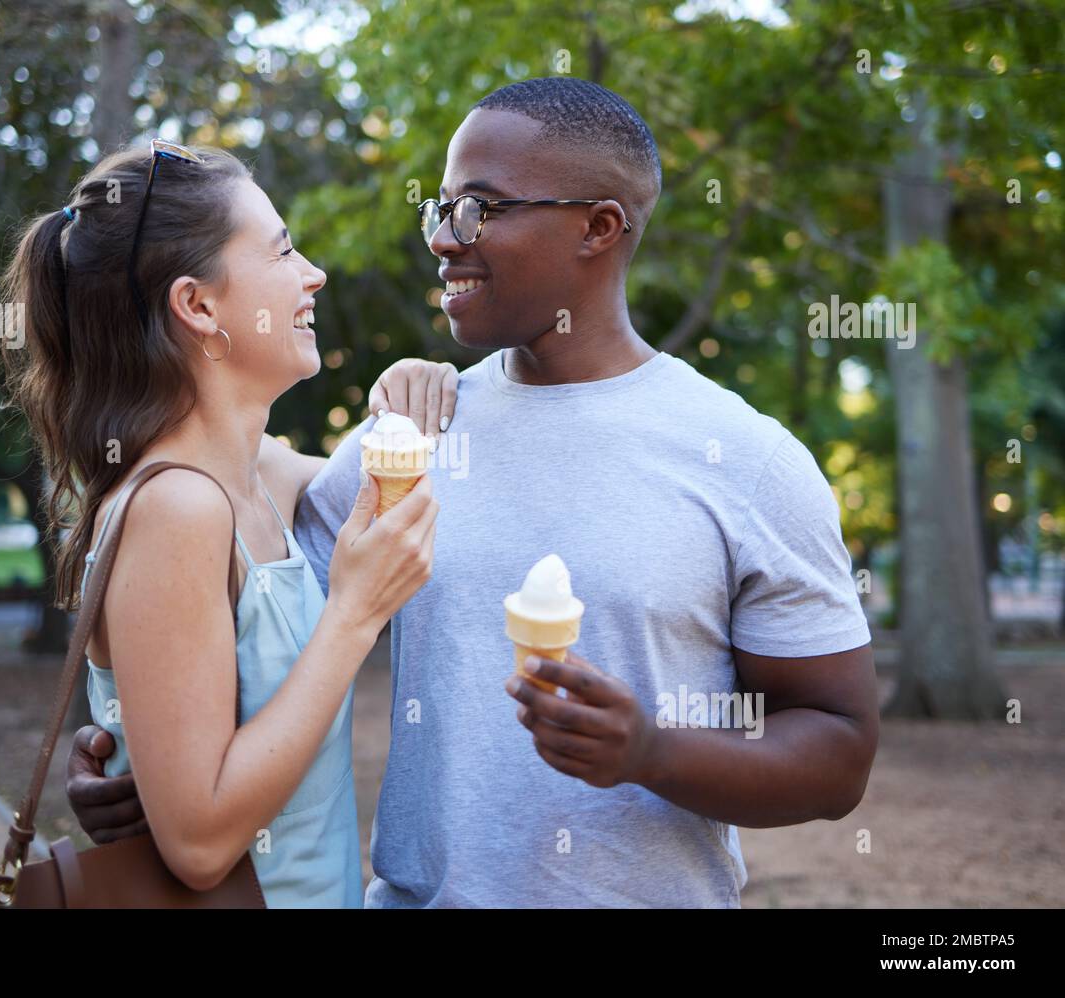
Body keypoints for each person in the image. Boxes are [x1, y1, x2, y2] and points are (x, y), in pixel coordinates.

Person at [69, 79, 878, 908]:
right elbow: (241, 628)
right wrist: (132, 755)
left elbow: (839, 749)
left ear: (598, 227)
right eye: (443, 209)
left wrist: (651, 753)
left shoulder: (749, 461)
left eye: (481, 209)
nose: (445, 240)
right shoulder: (404, 442)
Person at [0, 139, 451, 907]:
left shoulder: (264, 473)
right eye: (281, 253)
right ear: (199, 306)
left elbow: (400, 486)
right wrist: (354, 615)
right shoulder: (176, 509)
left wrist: (418, 385)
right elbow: (200, 844)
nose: (314, 273)